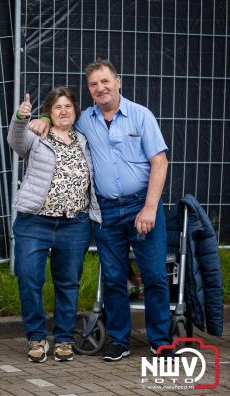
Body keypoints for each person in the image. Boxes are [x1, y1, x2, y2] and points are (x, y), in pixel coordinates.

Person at [29, 59, 171, 362]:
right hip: (105, 212)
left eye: (105, 81)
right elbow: (61, 117)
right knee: (114, 278)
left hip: (141, 206)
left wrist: (149, 207)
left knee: (155, 275)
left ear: (118, 81)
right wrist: (42, 116)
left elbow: (160, 162)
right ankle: (120, 341)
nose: (100, 88)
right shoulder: (85, 120)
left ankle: (161, 341)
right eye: (94, 84)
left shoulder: (140, 116)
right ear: (90, 91)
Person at [8, 86, 101, 363]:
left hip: (74, 224)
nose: (63, 111)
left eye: (68, 107)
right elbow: (15, 140)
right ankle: (36, 338)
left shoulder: (85, 141)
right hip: (35, 222)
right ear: (49, 111)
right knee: (29, 278)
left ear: (75, 111)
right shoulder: (37, 136)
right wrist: (22, 117)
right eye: (57, 107)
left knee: (68, 283)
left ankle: (63, 339)